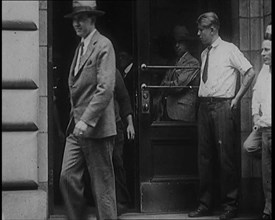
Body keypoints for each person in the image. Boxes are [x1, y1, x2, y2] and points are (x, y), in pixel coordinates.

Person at [188, 12, 256, 220]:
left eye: (202, 30)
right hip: (204, 108)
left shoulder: (229, 50)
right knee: (204, 157)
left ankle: (230, 205)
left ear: (213, 29)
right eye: (198, 29)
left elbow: (250, 72)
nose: (198, 33)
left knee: (226, 157)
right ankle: (205, 204)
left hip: (223, 107)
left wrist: (236, 99)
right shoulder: (204, 53)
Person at [59, 1, 117, 220]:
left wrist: (86, 120)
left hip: (97, 128)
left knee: (103, 190)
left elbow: (106, 89)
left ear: (92, 20)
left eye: (80, 19)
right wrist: (77, 121)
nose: (76, 24)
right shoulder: (80, 47)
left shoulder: (104, 45)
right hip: (77, 128)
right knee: (67, 177)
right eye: (74, 19)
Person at [243, 24, 272, 220]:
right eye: (262, 49)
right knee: (249, 147)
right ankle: (268, 207)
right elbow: (255, 95)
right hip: (264, 129)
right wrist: (255, 116)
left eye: (267, 50)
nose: (262, 53)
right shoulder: (264, 71)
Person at [156, 24, 200, 121]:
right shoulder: (174, 61)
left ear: (187, 43)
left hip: (183, 113)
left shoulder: (192, 62)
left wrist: (166, 85)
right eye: (175, 42)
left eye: (180, 42)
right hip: (168, 111)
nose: (176, 45)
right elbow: (164, 82)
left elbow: (178, 86)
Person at [114, 69, 135, 215]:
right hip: (95, 128)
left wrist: (130, 124)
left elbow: (124, 98)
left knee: (117, 162)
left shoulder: (114, 73)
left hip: (114, 125)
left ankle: (121, 201)